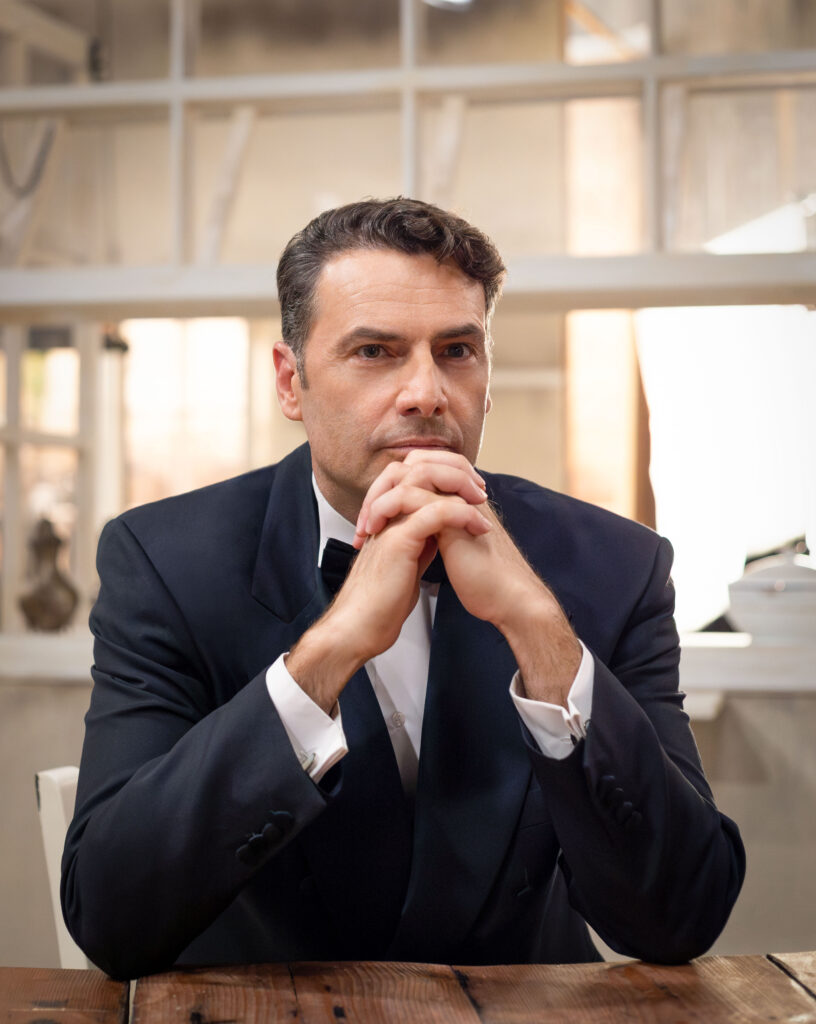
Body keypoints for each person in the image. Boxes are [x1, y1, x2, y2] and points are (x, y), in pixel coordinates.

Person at [62, 198, 744, 980]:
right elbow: (110, 914)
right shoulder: (166, 562)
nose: (426, 391)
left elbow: (682, 914)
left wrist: (538, 629)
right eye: (375, 351)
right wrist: (328, 651)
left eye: (456, 350)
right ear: (291, 381)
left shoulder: (617, 566)